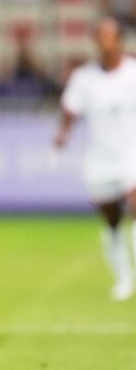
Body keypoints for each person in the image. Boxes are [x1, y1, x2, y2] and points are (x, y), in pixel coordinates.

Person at [54, 17, 136, 301]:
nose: (104, 41)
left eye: (109, 35)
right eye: (99, 36)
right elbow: (70, 110)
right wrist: (62, 135)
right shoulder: (84, 78)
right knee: (112, 221)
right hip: (101, 159)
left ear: (120, 40)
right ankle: (124, 279)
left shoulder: (133, 74)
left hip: (131, 155)